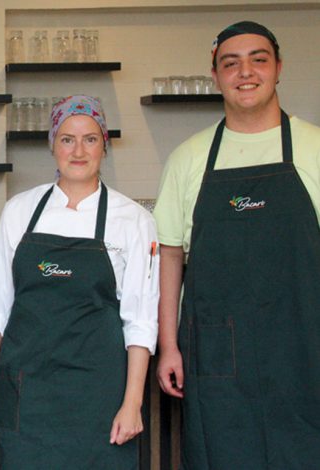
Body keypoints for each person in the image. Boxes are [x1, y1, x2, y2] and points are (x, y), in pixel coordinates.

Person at [154, 21, 320, 469]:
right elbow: (170, 256)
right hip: (216, 355)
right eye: (231, 63)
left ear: (279, 67)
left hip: (306, 349)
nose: (245, 72)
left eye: (258, 60)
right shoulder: (189, 157)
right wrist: (169, 346)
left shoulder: (315, 147)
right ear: (215, 76)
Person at [0, 95, 158, 469]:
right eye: (67, 139)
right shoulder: (20, 210)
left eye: (90, 139)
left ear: (104, 145)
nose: (78, 151)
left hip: (98, 394)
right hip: (26, 390)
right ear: (52, 145)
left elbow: (140, 321)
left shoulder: (133, 219)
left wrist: (133, 402)